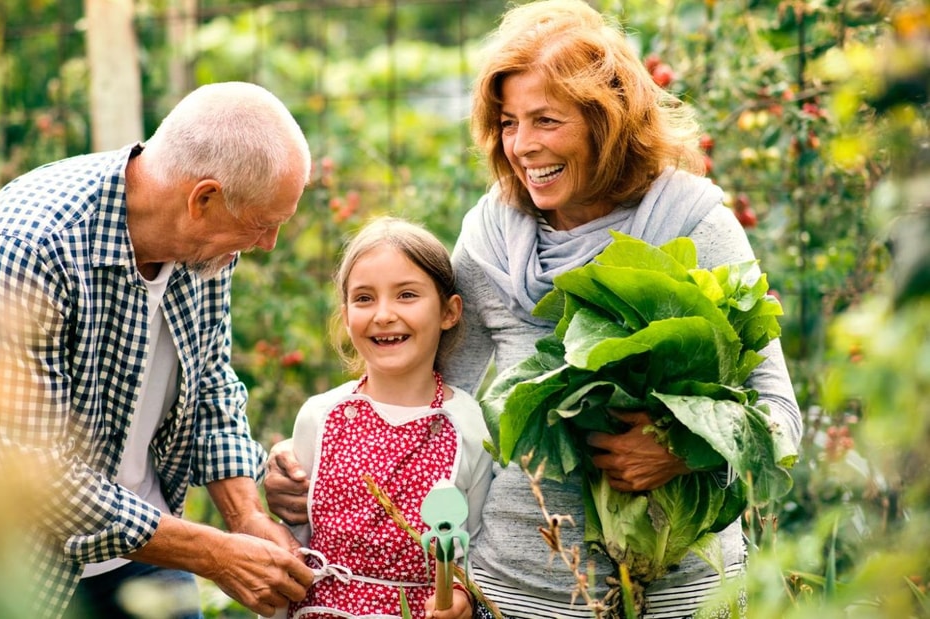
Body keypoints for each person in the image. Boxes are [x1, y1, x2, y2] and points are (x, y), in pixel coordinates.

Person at [263, 2, 802, 618]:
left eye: (546, 120)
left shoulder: (694, 226)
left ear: (608, 120)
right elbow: (425, 402)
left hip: (681, 589)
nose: (522, 146)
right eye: (509, 123)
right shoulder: (494, 234)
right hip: (520, 588)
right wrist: (314, 457)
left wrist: (684, 450)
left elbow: (779, 416)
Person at [0, 81, 315, 619]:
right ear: (203, 198)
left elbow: (211, 386)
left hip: (139, 547)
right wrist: (215, 554)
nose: (267, 243)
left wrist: (246, 518)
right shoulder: (31, 249)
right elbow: (41, 477)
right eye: (263, 224)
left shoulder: (206, 249)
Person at [273, 217, 493, 619]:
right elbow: (293, 539)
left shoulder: (467, 426)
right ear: (345, 314)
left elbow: (474, 546)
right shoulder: (320, 417)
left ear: (449, 311)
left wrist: (461, 596)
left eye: (407, 295)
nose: (384, 314)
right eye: (364, 298)